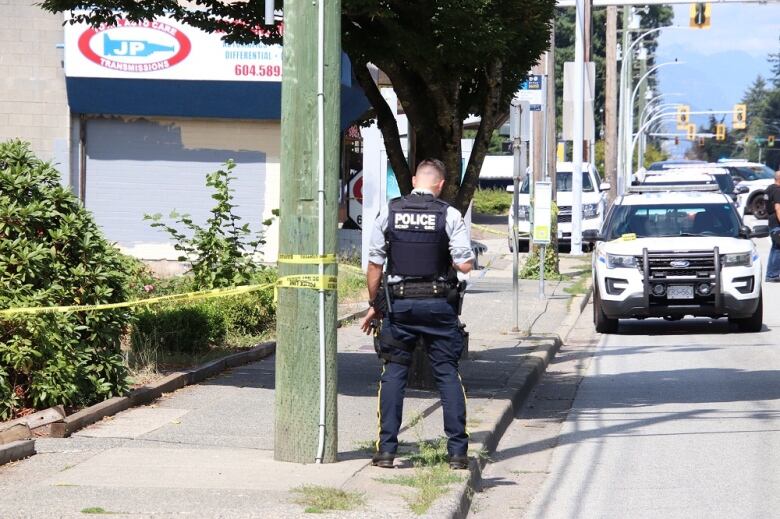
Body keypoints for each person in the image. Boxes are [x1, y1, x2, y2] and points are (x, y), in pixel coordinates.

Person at [360, 158, 475, 470]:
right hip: (439, 307)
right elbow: (465, 265)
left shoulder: (389, 212)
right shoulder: (449, 215)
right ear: (440, 184)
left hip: (400, 308)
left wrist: (375, 305)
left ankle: (386, 451)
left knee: (394, 374)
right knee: (447, 374)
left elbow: (374, 265)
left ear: (413, 181)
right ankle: (457, 453)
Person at [765, 170, 780, 282]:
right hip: (777, 224)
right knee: (778, 249)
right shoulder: (777, 190)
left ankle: (771, 273)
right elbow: (778, 208)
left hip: (771, 222)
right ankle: (773, 274)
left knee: (775, 248)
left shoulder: (769, 189)